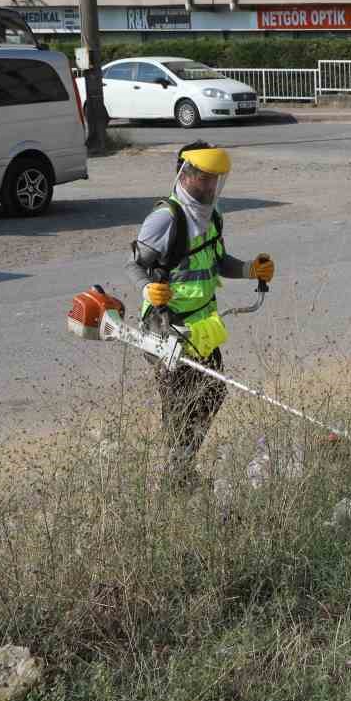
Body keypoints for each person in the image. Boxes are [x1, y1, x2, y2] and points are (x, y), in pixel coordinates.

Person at [126, 141, 276, 483]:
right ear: (185, 174)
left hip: (202, 325)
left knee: (212, 392)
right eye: (204, 178)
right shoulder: (166, 218)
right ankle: (178, 475)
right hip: (167, 326)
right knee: (180, 402)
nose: (210, 186)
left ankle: (182, 466)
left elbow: (218, 261)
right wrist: (147, 288)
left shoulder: (212, 216)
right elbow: (133, 266)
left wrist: (251, 270)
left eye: (215, 179)